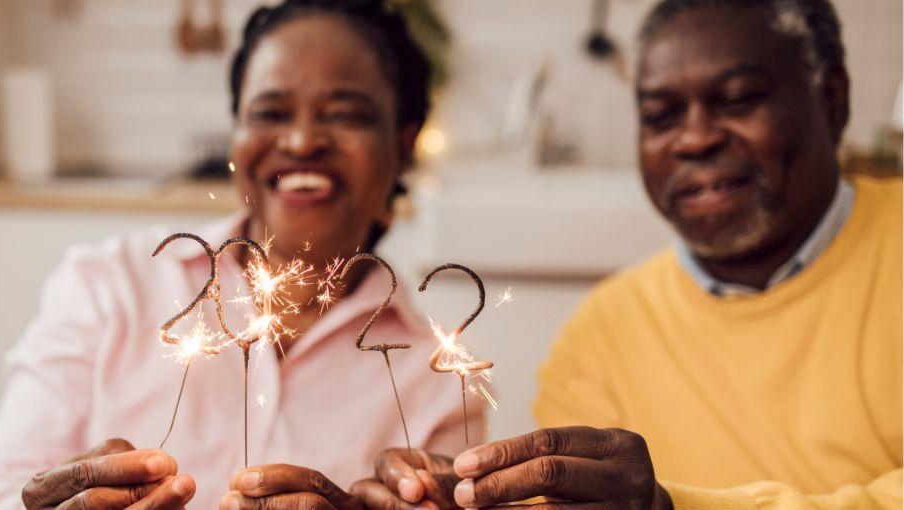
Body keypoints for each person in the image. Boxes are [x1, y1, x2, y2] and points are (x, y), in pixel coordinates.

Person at [367, 1, 901, 509]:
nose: (694, 140)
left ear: (833, 100)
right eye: (662, 115)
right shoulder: (600, 335)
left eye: (737, 100)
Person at [0, 1, 483, 509]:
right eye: (270, 112)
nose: (302, 140)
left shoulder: (437, 378)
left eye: (345, 114)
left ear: (404, 144)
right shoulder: (107, 284)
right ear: (237, 135)